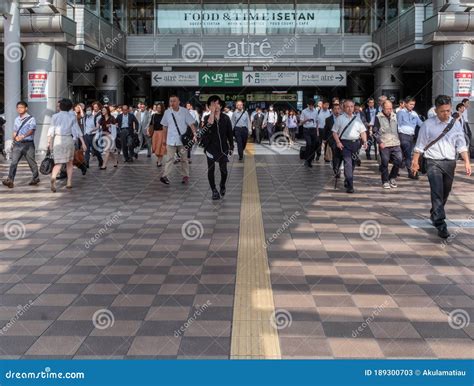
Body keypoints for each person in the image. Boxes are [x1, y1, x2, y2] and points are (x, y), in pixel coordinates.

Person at [411, 95, 471, 239]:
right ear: (436, 110)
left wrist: (467, 161)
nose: (446, 114)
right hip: (433, 162)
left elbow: (461, 144)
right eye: (443, 111)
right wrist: (415, 162)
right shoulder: (428, 124)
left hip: (450, 162)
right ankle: (440, 223)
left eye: (448, 111)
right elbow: (420, 145)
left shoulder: (455, 124)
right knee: (437, 191)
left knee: (445, 192)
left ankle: (435, 212)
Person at [47, 98, 87, 192]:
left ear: (60, 106)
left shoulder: (55, 116)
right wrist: (83, 143)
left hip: (58, 139)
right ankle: (69, 182)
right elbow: (77, 130)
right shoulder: (72, 116)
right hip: (68, 139)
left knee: (58, 163)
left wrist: (49, 143)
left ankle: (53, 177)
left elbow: (51, 131)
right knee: (69, 162)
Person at [201, 95, 234, 200]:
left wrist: (231, 146)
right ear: (209, 106)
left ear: (221, 105)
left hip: (223, 148)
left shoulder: (226, 118)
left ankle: (222, 185)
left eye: (217, 103)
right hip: (210, 147)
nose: (216, 106)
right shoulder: (207, 118)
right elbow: (207, 127)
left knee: (223, 170)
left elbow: (229, 133)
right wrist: (212, 112)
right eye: (213, 104)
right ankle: (214, 190)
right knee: (211, 169)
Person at [159, 95, 197, 185]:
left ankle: (185, 176)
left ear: (179, 102)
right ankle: (165, 176)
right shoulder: (167, 112)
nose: (172, 103)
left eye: (174, 101)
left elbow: (191, 124)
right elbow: (164, 126)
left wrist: (195, 134)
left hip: (182, 140)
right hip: (170, 140)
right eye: (171, 101)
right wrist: (164, 139)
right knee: (169, 159)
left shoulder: (184, 111)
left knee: (184, 159)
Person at [332, 99, 368, 193]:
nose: (350, 108)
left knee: (352, 164)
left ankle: (347, 180)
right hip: (344, 144)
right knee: (348, 163)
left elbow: (363, 131)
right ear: (343, 108)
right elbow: (334, 132)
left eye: (352, 106)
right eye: (347, 106)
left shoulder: (357, 118)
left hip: (355, 144)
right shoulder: (340, 118)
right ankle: (350, 186)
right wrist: (338, 142)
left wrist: (365, 141)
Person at [2, 101, 40, 189]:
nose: (19, 109)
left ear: (26, 108)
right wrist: (14, 138)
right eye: (18, 107)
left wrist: (23, 136)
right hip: (17, 144)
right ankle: (10, 180)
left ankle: (35, 178)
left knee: (32, 163)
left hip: (28, 144)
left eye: (21, 107)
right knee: (13, 162)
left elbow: (32, 130)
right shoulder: (16, 119)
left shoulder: (31, 119)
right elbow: (15, 131)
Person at [373, 100, 402, 189]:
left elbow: (398, 129)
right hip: (384, 144)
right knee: (384, 162)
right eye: (387, 108)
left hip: (395, 143)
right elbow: (375, 132)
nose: (389, 110)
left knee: (399, 160)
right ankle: (385, 181)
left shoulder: (395, 116)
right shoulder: (378, 117)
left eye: (391, 108)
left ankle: (392, 177)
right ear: (382, 108)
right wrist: (379, 142)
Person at [397, 96, 423, 179]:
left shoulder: (414, 113)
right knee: (408, 155)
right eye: (410, 104)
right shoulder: (400, 113)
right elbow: (398, 124)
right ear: (405, 104)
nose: (412, 106)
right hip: (403, 135)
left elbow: (421, 124)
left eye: (413, 104)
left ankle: (397, 168)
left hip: (411, 136)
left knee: (406, 155)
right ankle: (411, 172)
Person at [83, 102, 103, 168]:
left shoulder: (95, 118)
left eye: (89, 110)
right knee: (87, 150)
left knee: (95, 150)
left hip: (93, 135)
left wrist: (92, 130)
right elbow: (84, 126)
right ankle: (86, 163)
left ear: (92, 111)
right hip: (86, 135)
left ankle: (100, 160)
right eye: (87, 110)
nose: (88, 111)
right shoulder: (84, 118)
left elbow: (97, 127)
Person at [300, 99, 319, 167]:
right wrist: (306, 120)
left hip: (313, 130)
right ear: (308, 105)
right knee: (309, 143)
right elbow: (301, 122)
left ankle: (310, 161)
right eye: (310, 105)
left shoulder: (316, 111)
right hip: (306, 130)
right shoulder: (304, 111)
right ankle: (306, 159)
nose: (311, 106)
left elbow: (317, 121)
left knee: (313, 146)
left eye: (312, 105)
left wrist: (317, 131)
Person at [323, 102, 341, 168]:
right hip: (332, 140)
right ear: (332, 110)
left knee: (340, 154)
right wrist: (324, 139)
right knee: (334, 153)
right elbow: (326, 129)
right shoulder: (328, 119)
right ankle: (335, 167)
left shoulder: (343, 118)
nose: (337, 110)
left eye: (338, 109)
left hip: (342, 139)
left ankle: (337, 165)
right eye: (335, 109)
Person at [150, 102, 167, 167]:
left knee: (161, 148)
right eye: (157, 107)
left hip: (162, 132)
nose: (158, 109)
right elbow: (151, 124)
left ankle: (159, 161)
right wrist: (149, 131)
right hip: (155, 133)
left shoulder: (164, 116)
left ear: (162, 108)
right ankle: (159, 158)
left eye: (160, 107)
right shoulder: (153, 115)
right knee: (154, 148)